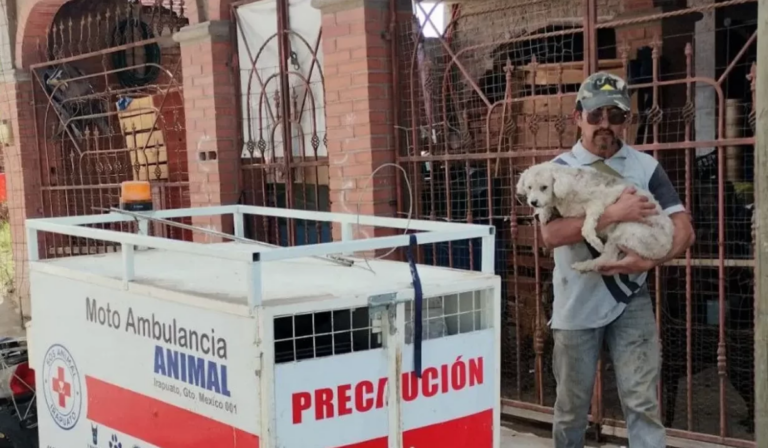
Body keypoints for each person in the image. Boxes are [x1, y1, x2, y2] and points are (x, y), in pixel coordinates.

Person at [541, 72, 695, 448]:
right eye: (596, 115)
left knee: (642, 403)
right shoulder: (555, 171)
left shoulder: (645, 168)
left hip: (631, 299)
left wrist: (649, 262)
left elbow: (684, 229)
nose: (605, 125)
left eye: (616, 115)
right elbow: (551, 235)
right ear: (578, 117)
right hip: (576, 299)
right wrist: (614, 213)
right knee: (570, 408)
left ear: (627, 120)